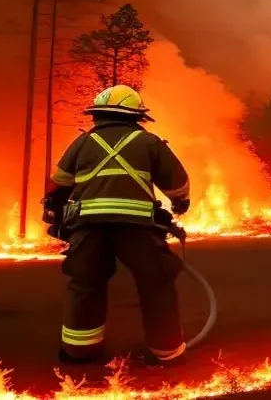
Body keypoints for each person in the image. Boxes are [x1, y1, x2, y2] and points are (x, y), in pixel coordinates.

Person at [43, 85, 193, 365]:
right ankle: (167, 351)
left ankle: (80, 350)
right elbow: (177, 183)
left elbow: (59, 183)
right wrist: (179, 203)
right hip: (136, 228)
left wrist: (56, 212)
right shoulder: (149, 142)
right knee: (156, 282)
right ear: (136, 116)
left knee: (85, 283)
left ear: (98, 115)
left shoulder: (83, 142)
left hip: (88, 227)